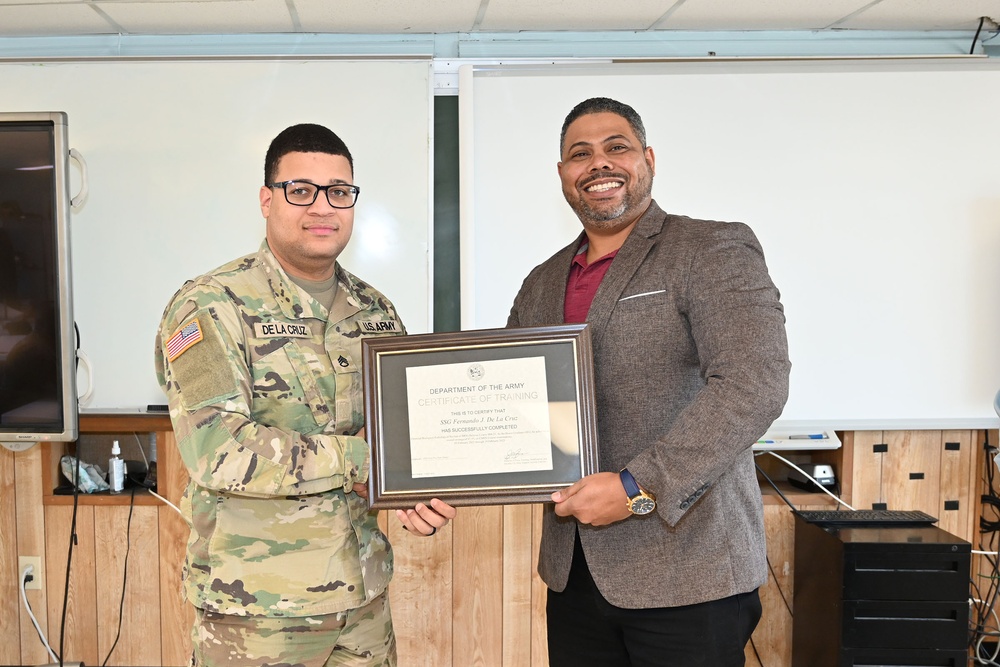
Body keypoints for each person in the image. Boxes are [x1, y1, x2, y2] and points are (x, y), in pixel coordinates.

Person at [154, 123, 455, 667]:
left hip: (361, 599)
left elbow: (403, 429)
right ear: (267, 200)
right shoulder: (210, 305)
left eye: (339, 191)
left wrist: (408, 486)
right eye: (301, 190)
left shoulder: (376, 312)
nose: (323, 206)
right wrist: (368, 458)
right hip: (258, 610)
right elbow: (219, 450)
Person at [506, 97, 791, 666]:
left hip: (688, 571)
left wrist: (638, 486)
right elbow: (511, 399)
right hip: (575, 574)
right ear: (562, 174)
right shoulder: (540, 283)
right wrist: (436, 484)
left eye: (617, 147)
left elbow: (755, 381)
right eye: (579, 154)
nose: (599, 164)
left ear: (648, 159)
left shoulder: (709, 248)